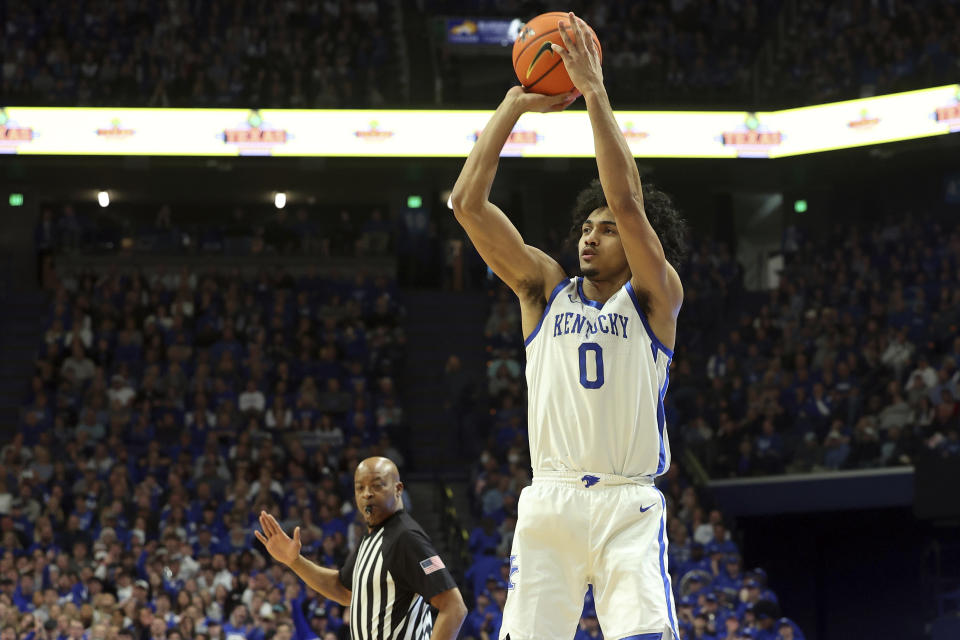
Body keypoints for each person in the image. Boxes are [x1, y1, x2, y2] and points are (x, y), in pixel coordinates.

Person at [450, 12, 687, 640]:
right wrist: (512, 105)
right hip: (550, 498)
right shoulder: (542, 289)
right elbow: (466, 205)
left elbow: (629, 200)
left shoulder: (654, 297)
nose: (591, 235)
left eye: (606, 229)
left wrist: (595, 94)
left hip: (626, 503)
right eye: (587, 226)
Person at [255, 457, 467, 640]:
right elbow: (344, 590)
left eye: (377, 485)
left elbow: (454, 607)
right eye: (360, 487)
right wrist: (295, 561)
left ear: (398, 489)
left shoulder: (406, 537)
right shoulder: (372, 536)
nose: (367, 494)